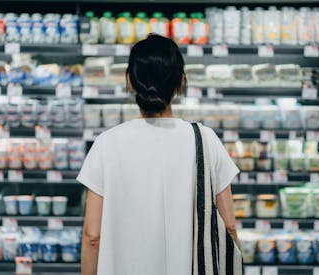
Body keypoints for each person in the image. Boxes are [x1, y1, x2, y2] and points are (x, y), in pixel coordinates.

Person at [77, 34, 240, 275]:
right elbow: (228, 228)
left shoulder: (106, 144)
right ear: (181, 82)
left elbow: (93, 236)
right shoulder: (206, 140)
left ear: (130, 82)